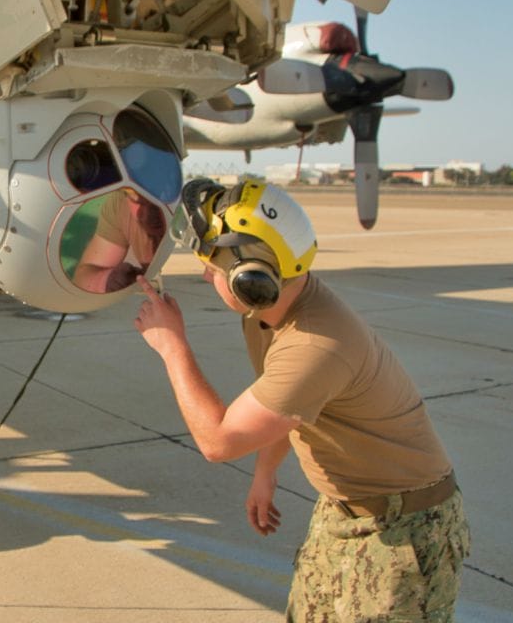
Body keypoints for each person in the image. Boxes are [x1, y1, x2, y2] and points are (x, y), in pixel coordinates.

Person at [133, 178, 470, 622]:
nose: (205, 275)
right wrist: (265, 473)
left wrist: (172, 347)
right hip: (343, 513)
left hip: (402, 532)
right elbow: (285, 410)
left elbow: (218, 442)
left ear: (248, 278)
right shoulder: (270, 313)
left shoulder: (314, 343)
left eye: (213, 267)